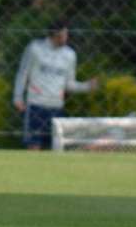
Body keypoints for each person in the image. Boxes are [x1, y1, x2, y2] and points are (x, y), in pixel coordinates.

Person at [12, 19, 98, 150]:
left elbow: (69, 84)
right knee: (34, 145)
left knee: (56, 146)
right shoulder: (35, 48)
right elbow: (23, 73)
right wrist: (17, 97)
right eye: (63, 35)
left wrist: (87, 86)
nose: (65, 38)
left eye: (66, 34)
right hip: (36, 104)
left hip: (56, 106)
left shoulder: (69, 55)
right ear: (54, 34)